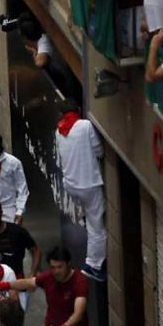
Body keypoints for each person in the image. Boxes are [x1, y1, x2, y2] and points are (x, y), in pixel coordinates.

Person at [0, 247, 91, 326]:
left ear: (68, 264)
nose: (56, 271)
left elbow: (78, 313)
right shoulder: (48, 277)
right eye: (53, 267)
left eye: (60, 267)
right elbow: (28, 283)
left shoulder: (80, 281)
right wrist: (1, 286)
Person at [54, 99, 106, 282]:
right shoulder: (85, 126)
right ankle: (94, 265)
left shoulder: (59, 130)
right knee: (97, 228)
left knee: (90, 219)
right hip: (88, 184)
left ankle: (93, 254)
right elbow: (99, 151)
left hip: (72, 186)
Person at [0, 200, 41, 308]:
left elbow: (36, 250)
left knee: (16, 322)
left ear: (1, 213)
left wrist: (32, 275)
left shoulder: (17, 232)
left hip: (17, 285)